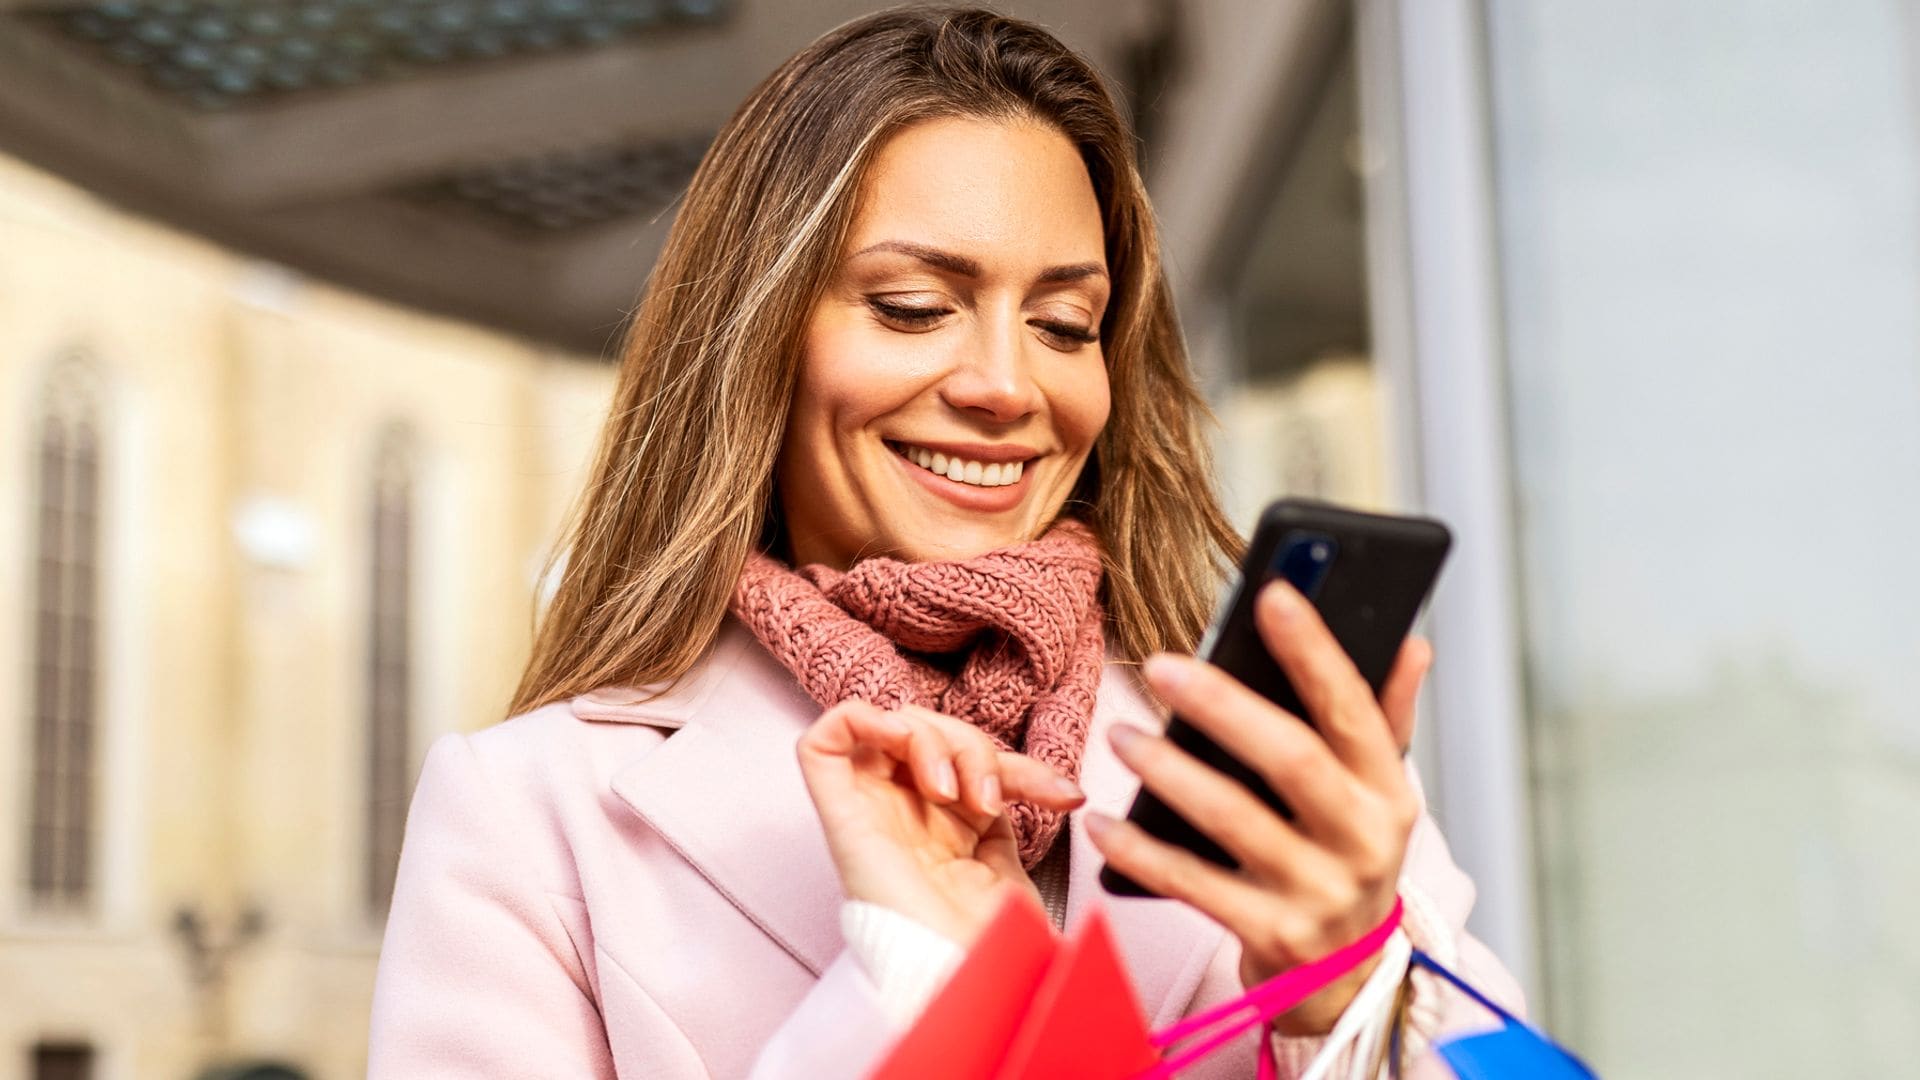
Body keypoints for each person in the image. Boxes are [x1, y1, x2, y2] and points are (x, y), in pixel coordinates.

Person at [366, 8, 1522, 1078]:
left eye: (1066, 324)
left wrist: (1349, 991)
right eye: (914, 308)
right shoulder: (530, 813)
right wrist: (911, 980)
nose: (1007, 385)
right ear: (756, 338)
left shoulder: (1274, 778)